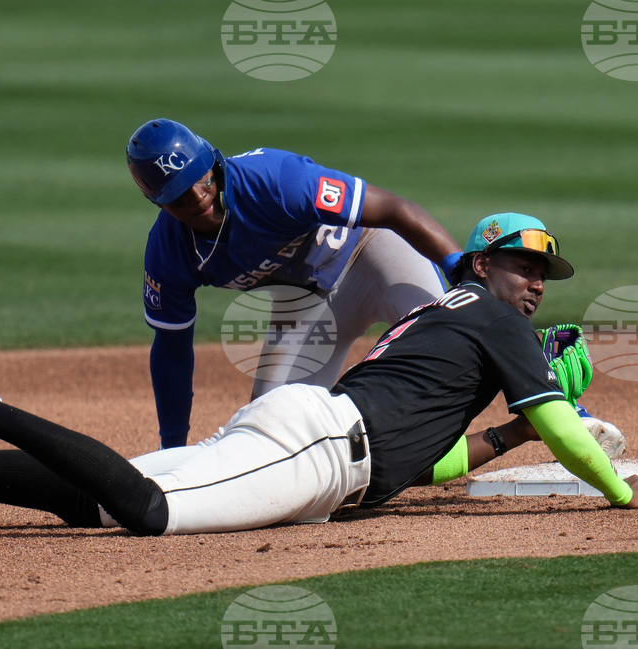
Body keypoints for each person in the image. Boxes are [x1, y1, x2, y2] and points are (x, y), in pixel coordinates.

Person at [0, 213, 638, 538]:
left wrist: (506, 431)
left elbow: (427, 457)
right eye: (520, 265)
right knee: (148, 513)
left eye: (544, 272)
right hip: (319, 448)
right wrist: (618, 491)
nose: (535, 283)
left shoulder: (447, 322)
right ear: (480, 263)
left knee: (97, 495)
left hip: (317, 435)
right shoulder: (491, 317)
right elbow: (564, 430)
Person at [128, 118, 464, 449]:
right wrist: (172, 448)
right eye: (181, 197)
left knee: (452, 341)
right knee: (269, 435)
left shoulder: (275, 179)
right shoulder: (168, 252)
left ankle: (505, 412)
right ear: (158, 202)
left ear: (214, 165)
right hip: (304, 302)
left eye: (204, 181)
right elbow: (172, 352)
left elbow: (393, 208)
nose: (200, 197)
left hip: (371, 253)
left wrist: (458, 268)